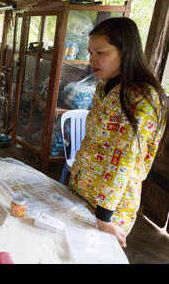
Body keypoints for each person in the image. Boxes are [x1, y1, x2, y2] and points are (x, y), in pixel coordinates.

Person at [69, 17, 168, 248]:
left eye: (100, 52)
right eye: (90, 52)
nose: (92, 59)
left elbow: (124, 159)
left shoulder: (142, 97)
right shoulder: (105, 86)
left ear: (125, 51)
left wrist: (104, 218)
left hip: (111, 207)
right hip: (83, 187)